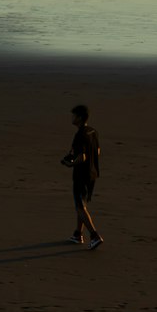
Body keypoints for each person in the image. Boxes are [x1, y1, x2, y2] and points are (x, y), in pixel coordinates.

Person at [61, 103, 102, 248]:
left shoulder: (79, 135)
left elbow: (82, 156)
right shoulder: (93, 131)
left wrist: (70, 164)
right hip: (92, 174)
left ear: (79, 117)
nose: (72, 117)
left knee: (79, 207)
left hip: (81, 175)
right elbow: (97, 151)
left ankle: (94, 235)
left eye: (73, 115)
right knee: (81, 205)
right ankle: (78, 234)